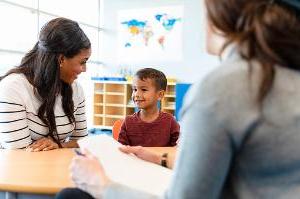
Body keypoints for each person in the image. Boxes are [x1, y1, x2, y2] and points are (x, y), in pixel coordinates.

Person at [56, 0, 300, 198]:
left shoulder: (221, 88)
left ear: (218, 16)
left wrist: (101, 185)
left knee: (72, 196)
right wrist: (160, 156)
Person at [0, 17, 91, 151]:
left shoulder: (76, 89)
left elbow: (83, 141)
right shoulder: (14, 87)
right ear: (61, 59)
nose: (84, 69)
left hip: (56, 167)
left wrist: (59, 145)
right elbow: (19, 153)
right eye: (82, 62)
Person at [117, 68, 180, 147]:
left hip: (158, 159)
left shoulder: (170, 121)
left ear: (160, 95)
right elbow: (121, 151)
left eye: (143, 89)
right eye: (135, 89)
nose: (136, 94)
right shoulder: (128, 122)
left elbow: (177, 150)